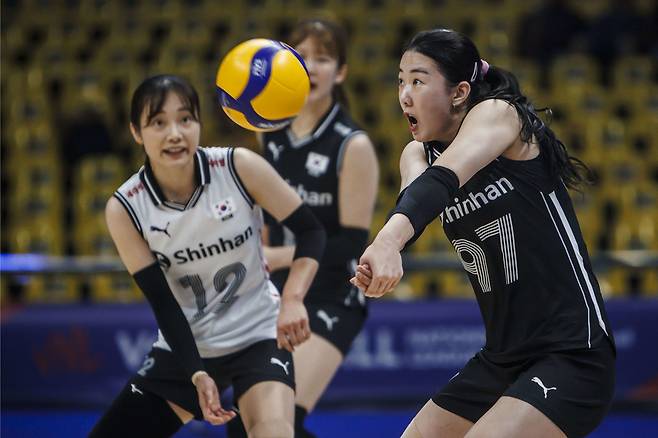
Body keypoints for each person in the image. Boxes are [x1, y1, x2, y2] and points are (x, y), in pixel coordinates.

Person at [351, 29, 615, 438]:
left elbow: (444, 179)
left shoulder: (499, 115)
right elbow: (418, 202)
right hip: (503, 358)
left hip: (571, 353)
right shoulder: (416, 154)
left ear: (459, 92)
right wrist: (390, 250)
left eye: (418, 81)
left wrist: (387, 242)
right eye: (400, 81)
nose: (404, 94)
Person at [89, 74, 326, 438]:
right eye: (158, 122)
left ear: (199, 123)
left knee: (274, 432)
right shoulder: (125, 207)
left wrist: (293, 298)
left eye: (186, 119)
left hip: (257, 335)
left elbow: (312, 231)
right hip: (188, 347)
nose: (175, 133)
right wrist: (197, 373)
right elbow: (163, 302)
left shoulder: (238, 167)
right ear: (136, 132)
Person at [227, 18, 379, 438]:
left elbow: (351, 244)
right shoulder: (268, 134)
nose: (311, 67)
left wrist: (274, 256)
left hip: (333, 293)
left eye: (324, 58)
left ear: (341, 71)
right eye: (301, 56)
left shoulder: (353, 144)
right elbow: (264, 217)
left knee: (281, 419)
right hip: (279, 291)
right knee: (248, 425)